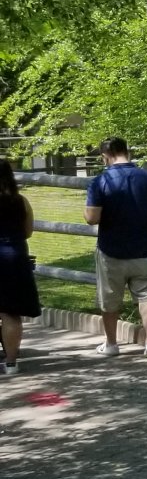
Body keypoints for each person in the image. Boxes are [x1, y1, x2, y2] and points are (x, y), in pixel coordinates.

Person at [83, 137, 147, 358]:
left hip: (112, 250)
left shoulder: (101, 182)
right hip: (144, 248)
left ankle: (111, 344)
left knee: (109, 298)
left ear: (105, 155)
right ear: (126, 151)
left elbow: (92, 218)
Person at [0, 159, 41, 373]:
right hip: (14, 256)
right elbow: (28, 232)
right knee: (10, 312)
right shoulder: (21, 201)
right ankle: (11, 362)